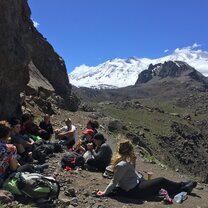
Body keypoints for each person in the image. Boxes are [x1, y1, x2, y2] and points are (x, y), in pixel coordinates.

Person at [96, 140, 197, 199]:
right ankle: (183, 187)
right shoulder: (122, 164)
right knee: (161, 180)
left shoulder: (124, 161)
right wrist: (105, 193)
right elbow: (114, 181)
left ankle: (182, 185)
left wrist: (133, 162)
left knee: (156, 183)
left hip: (135, 184)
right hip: (135, 190)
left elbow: (130, 174)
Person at [0, 121, 47, 187]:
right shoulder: (10, 148)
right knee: (25, 167)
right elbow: (14, 168)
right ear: (7, 134)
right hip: (3, 181)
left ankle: (35, 168)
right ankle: (40, 176)